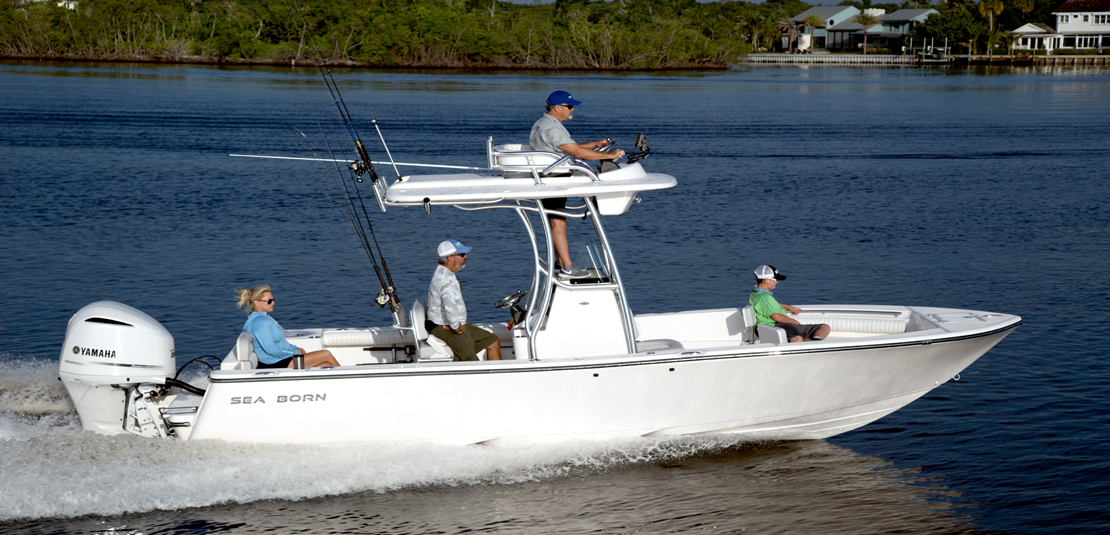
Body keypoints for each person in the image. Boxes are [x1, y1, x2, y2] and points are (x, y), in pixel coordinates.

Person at [529, 90, 625, 279]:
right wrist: (610, 155)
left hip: (550, 177)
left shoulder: (547, 123)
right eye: (569, 106)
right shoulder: (552, 128)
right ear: (557, 108)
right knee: (558, 223)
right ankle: (568, 267)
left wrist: (596, 144)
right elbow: (577, 153)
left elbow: (568, 148)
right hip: (554, 180)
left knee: (555, 222)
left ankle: (560, 265)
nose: (573, 109)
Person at [426, 240, 503, 361]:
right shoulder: (446, 279)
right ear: (450, 258)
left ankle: (496, 377)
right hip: (448, 327)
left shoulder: (444, 272)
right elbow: (449, 305)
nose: (465, 256)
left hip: (454, 323)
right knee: (471, 361)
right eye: (462, 254)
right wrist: (455, 326)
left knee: (492, 340)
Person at [235, 285, 340, 368]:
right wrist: (294, 352)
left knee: (327, 365)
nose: (273, 303)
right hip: (274, 363)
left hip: (279, 359)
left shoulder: (263, 318)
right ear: (257, 302)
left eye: (273, 299)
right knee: (326, 354)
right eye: (269, 301)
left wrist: (295, 348)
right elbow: (270, 349)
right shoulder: (260, 322)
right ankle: (350, 383)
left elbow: (280, 343)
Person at [749, 265, 831, 343]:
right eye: (775, 279)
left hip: (780, 324)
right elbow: (777, 317)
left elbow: (768, 305)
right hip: (775, 325)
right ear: (766, 280)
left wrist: (787, 307)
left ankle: (816, 340)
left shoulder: (757, 293)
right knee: (797, 338)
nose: (777, 282)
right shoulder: (764, 297)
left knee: (825, 327)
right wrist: (794, 321)